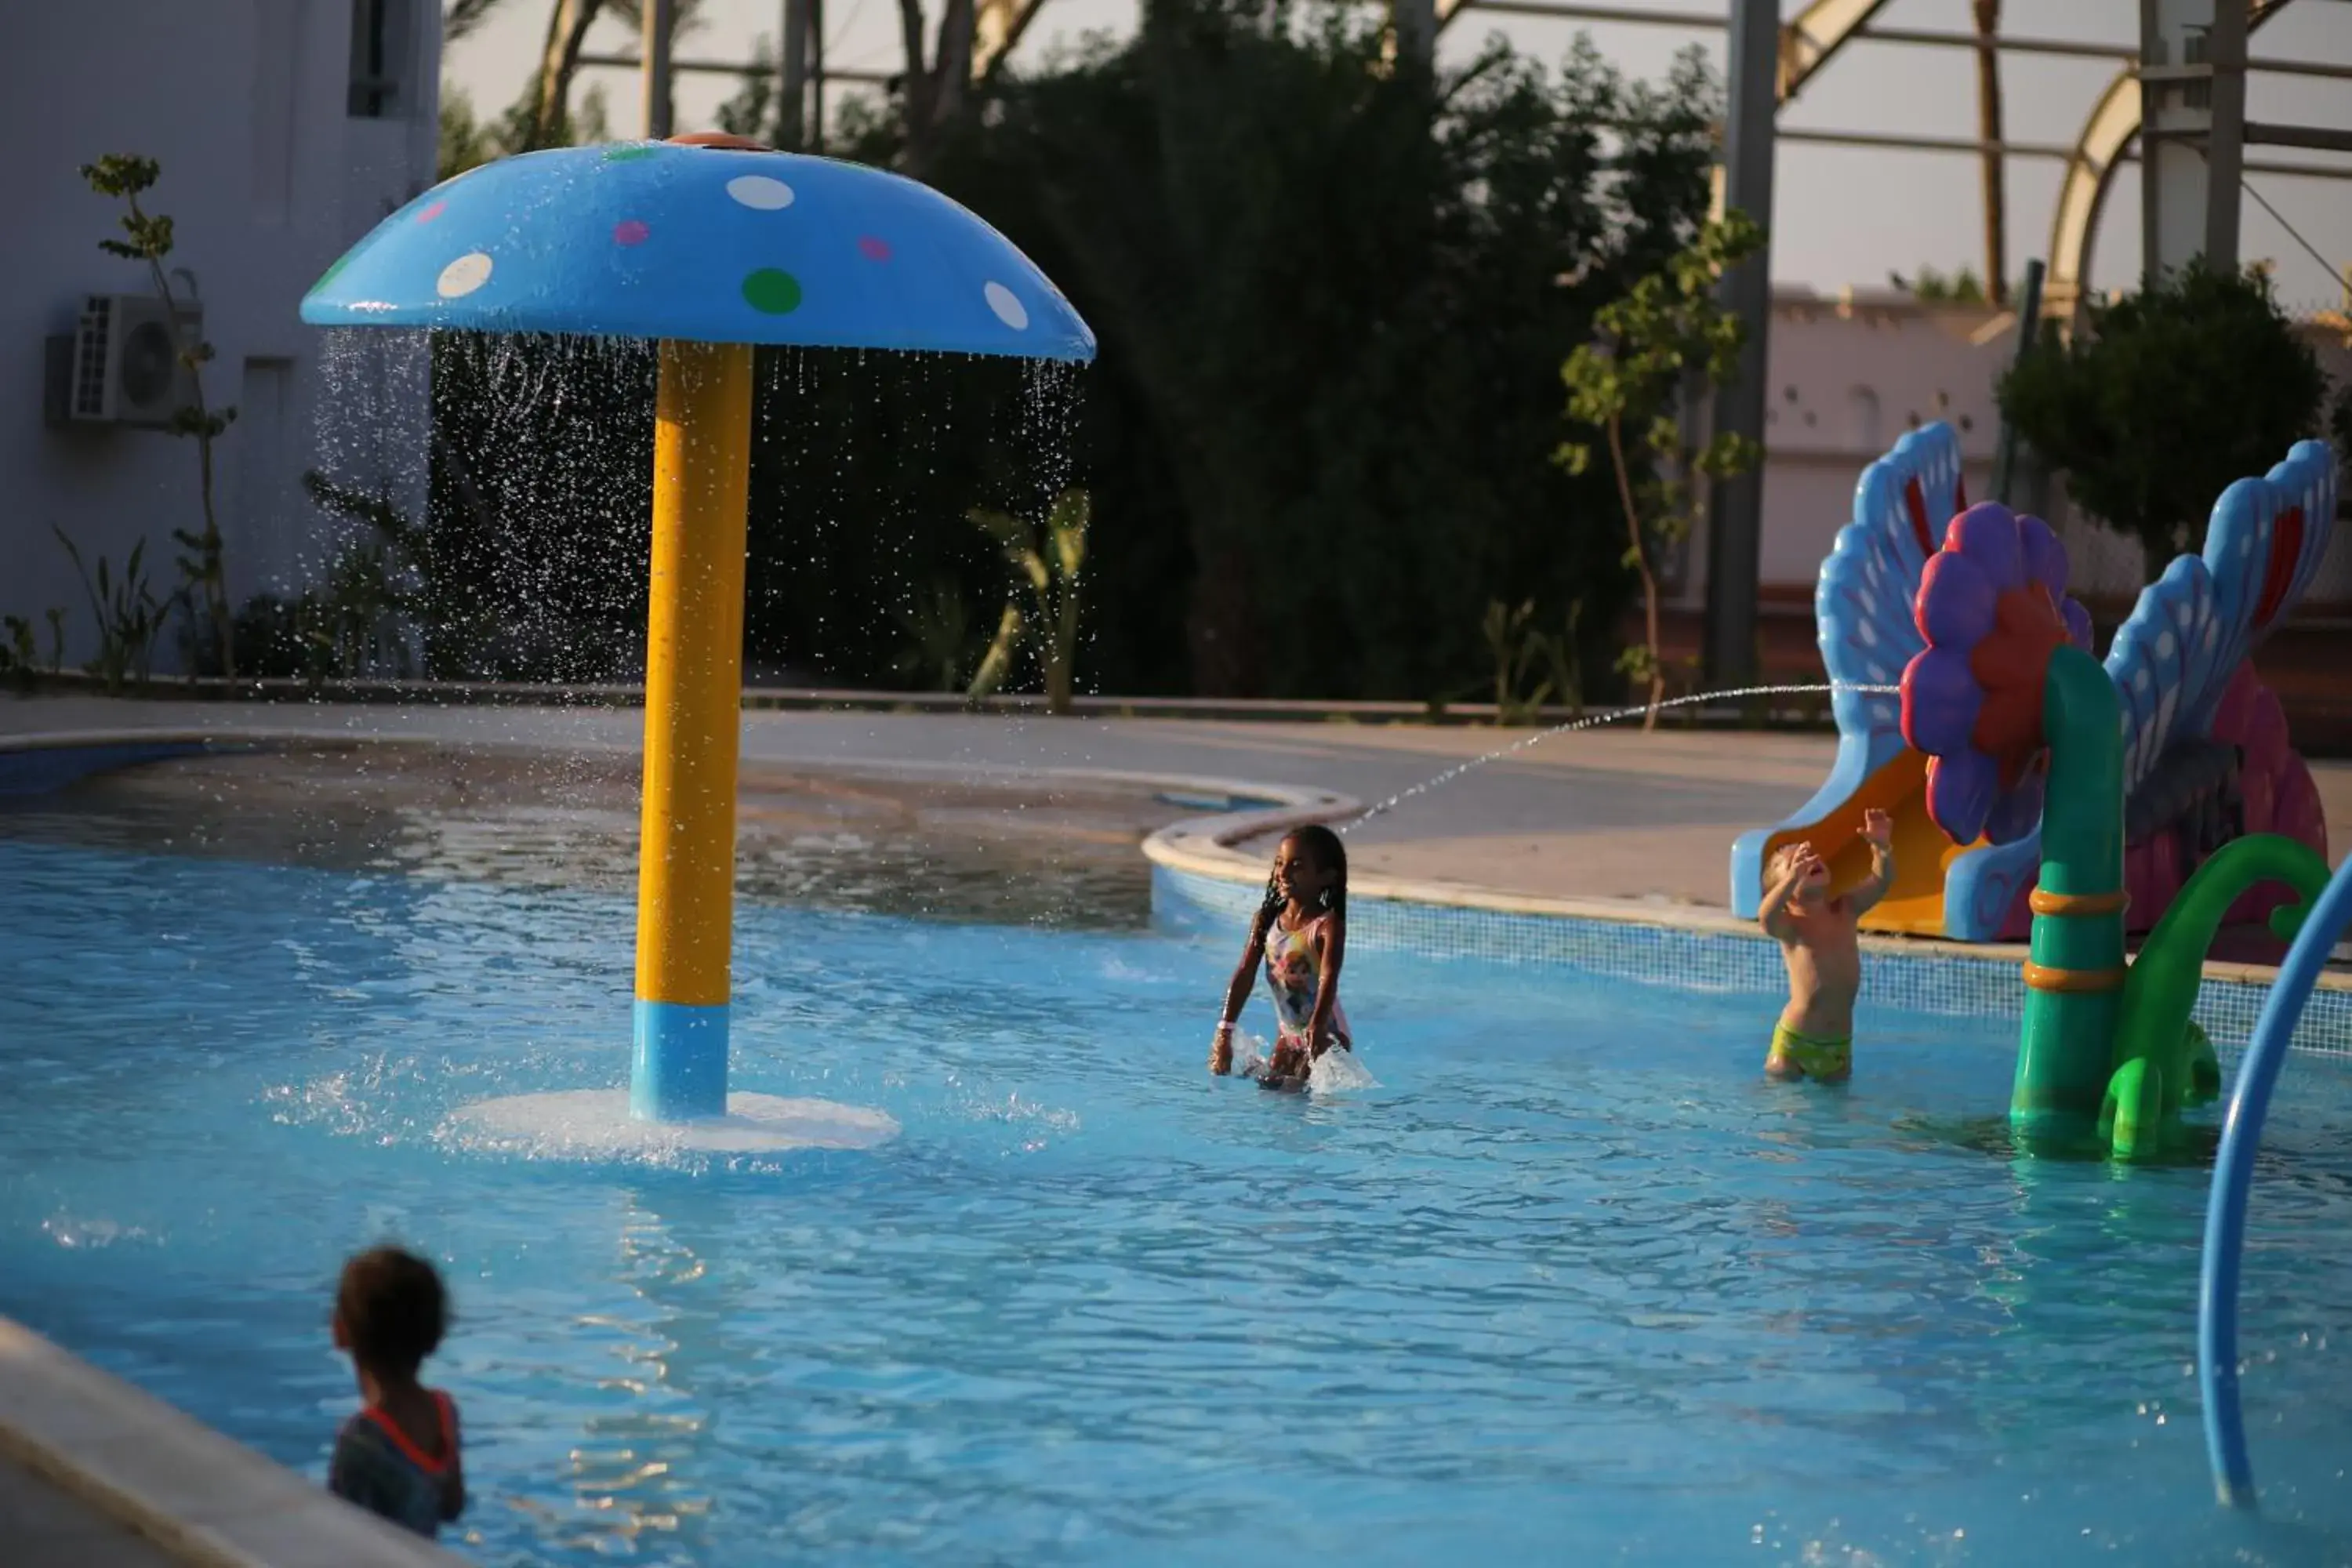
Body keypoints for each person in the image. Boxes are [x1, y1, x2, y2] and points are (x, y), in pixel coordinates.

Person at [327, 1247, 466, 1539]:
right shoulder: (444, 1412)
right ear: (434, 1335)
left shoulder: (361, 1440)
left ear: (340, 1331)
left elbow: (340, 1544)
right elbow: (453, 1507)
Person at [1758, 808, 1895, 1083]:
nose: (1808, 861)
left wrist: (1882, 849)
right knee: (1786, 1114)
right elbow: (1765, 916)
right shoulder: (1790, 926)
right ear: (1784, 888)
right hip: (1795, 1042)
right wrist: (1792, 878)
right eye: (1795, 862)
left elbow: (1881, 881)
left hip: (1839, 1044)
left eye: (1810, 856)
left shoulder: (1846, 908)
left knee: (1835, 1117)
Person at [1210, 825, 1352, 1091]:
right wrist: (1224, 1031)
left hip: (1326, 1032)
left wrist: (1318, 1026)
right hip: (1288, 1036)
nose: (1283, 873)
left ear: (1326, 876)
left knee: (1291, 1094)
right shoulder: (1266, 922)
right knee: (1267, 1088)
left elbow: (1329, 976)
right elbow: (1245, 973)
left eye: (1297, 866)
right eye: (1279, 863)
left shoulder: (1326, 926)